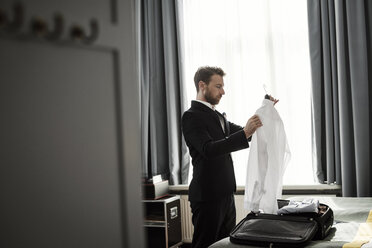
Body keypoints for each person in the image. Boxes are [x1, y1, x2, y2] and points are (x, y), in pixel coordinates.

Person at [181, 66, 277, 248]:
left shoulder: (218, 115)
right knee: (205, 244)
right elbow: (208, 149)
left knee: (227, 245)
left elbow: (245, 132)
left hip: (226, 193)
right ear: (202, 85)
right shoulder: (191, 116)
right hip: (207, 196)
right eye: (218, 86)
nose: (223, 92)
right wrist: (246, 132)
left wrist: (266, 108)